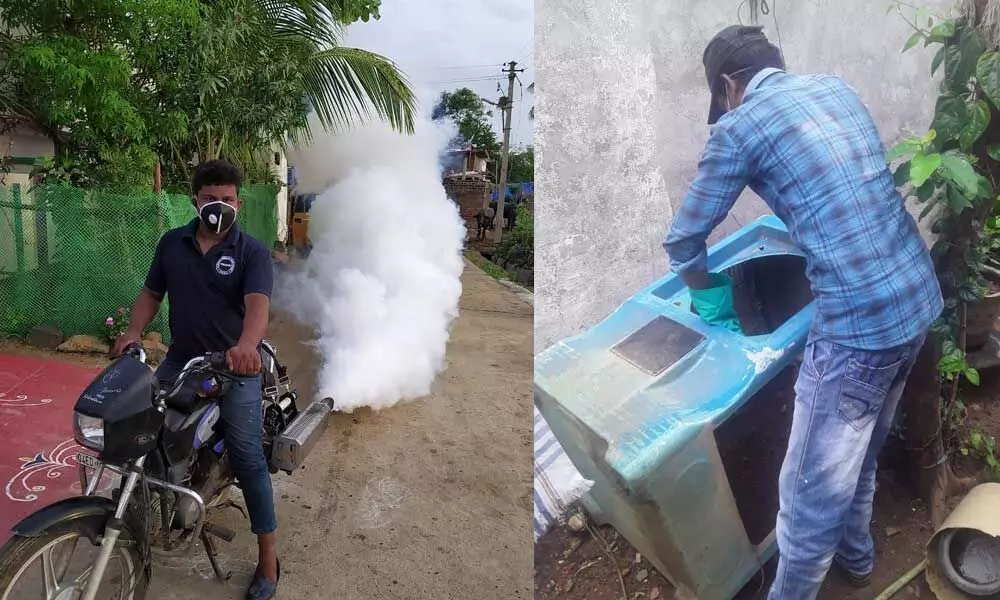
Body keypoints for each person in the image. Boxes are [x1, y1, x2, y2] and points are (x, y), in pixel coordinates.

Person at [663, 25, 942, 600]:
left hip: (858, 329)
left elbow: (684, 242)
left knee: (808, 499)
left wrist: (709, 297)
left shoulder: (739, 127)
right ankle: (860, 563)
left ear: (727, 87)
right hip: (916, 297)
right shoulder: (834, 89)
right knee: (860, 453)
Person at [113, 159, 280, 600]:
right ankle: (142, 525)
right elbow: (151, 294)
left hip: (234, 367)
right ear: (195, 200)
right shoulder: (173, 244)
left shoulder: (252, 253)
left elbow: (258, 306)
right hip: (181, 360)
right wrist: (133, 331)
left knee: (247, 456)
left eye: (227, 200)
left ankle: (267, 561)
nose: (218, 207)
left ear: (238, 203)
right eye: (210, 199)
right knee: (148, 438)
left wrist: (246, 347)